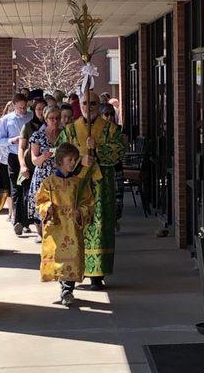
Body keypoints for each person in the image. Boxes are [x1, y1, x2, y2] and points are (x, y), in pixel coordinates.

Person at [56, 91, 125, 290]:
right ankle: (72, 273)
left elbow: (120, 149)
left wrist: (98, 150)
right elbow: (59, 153)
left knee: (100, 226)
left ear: (98, 105)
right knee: (76, 225)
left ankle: (97, 274)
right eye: (85, 102)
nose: (89, 106)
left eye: (93, 103)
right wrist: (80, 159)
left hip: (101, 187)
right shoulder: (69, 130)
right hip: (77, 186)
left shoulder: (110, 129)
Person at [36, 143, 94, 306]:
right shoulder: (49, 182)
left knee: (73, 257)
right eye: (70, 159)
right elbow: (40, 201)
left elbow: (88, 202)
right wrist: (48, 208)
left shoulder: (78, 182)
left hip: (72, 228)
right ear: (60, 160)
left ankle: (67, 290)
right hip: (56, 227)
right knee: (58, 258)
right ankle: (65, 289)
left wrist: (81, 212)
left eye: (75, 160)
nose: (73, 162)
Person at [0, 93, 33, 236]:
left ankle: (27, 222)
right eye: (20, 108)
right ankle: (18, 220)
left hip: (28, 155)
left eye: (24, 107)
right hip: (13, 155)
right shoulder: (6, 120)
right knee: (15, 189)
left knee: (27, 188)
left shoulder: (30, 117)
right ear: (14, 105)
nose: (23, 110)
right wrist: (12, 140)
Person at [28, 106, 61, 242]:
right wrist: (44, 156)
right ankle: (40, 234)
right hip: (43, 174)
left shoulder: (64, 134)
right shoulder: (38, 135)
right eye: (51, 118)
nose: (55, 121)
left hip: (59, 174)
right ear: (46, 119)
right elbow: (34, 160)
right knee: (42, 204)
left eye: (57, 118)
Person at [18, 98, 46, 240]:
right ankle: (37, 229)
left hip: (47, 168)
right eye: (38, 109)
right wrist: (22, 165)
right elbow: (21, 148)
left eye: (43, 108)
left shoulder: (52, 125)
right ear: (34, 110)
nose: (41, 112)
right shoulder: (28, 126)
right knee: (33, 198)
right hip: (31, 166)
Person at [101, 104, 125, 231]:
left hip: (116, 168)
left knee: (118, 197)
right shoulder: (97, 132)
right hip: (103, 170)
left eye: (111, 114)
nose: (109, 117)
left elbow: (121, 149)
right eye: (106, 114)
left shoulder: (118, 130)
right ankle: (109, 222)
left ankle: (115, 219)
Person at [0, 101, 14, 222]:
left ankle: (13, 213)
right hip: (4, 158)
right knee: (6, 186)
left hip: (15, 156)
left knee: (14, 187)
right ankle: (10, 212)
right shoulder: (1, 121)